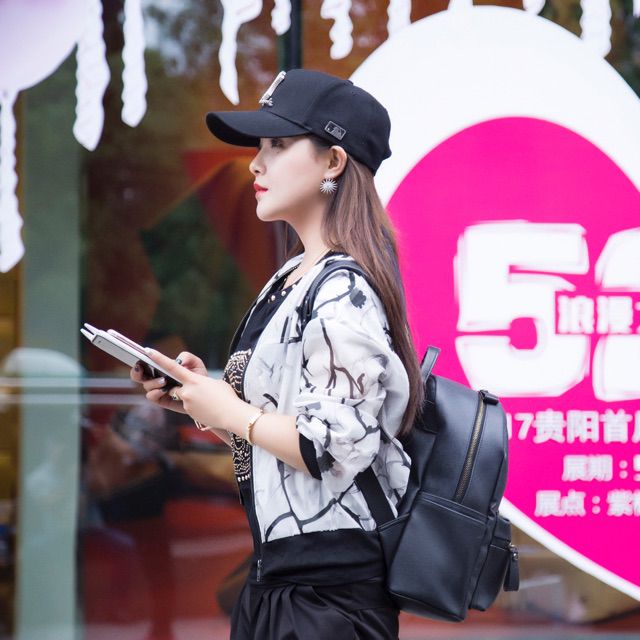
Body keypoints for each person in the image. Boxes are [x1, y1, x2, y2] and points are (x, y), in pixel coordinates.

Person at [131, 69, 423, 639]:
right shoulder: (295, 276)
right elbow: (284, 439)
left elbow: (330, 445)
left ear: (333, 162)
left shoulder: (343, 289)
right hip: (283, 579)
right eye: (260, 147)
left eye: (279, 145)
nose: (255, 165)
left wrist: (230, 410)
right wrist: (201, 402)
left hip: (328, 596)